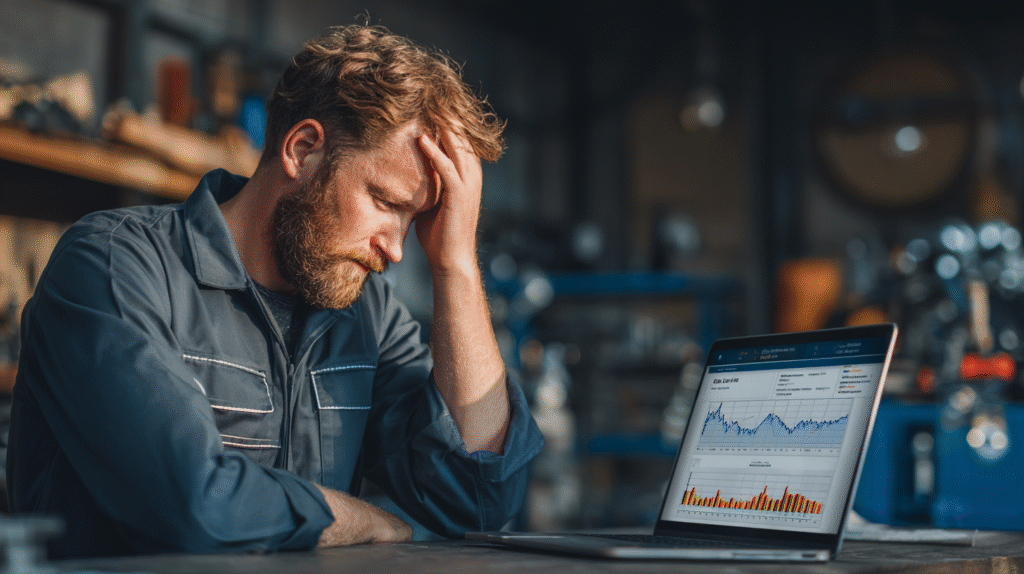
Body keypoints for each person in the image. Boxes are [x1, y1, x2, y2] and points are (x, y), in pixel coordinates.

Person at [6, 24, 543, 558]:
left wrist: (455, 265)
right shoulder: (116, 266)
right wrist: (355, 516)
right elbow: (191, 503)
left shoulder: (366, 314)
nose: (397, 249)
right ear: (303, 149)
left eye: (415, 219)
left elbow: (478, 497)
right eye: (384, 201)